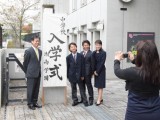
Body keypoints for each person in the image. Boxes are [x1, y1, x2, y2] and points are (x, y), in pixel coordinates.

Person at [114, 40, 160, 120]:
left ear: (140, 55)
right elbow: (146, 68)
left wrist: (117, 60)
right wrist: (133, 60)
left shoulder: (132, 72)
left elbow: (118, 72)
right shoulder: (157, 71)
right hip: (156, 112)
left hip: (135, 113)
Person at [66, 42, 88, 107]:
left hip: (80, 75)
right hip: (71, 75)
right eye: (71, 47)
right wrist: (68, 76)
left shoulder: (81, 56)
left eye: (74, 46)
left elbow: (83, 66)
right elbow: (68, 67)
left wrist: (82, 75)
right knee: (73, 89)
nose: (73, 48)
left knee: (82, 88)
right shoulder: (68, 57)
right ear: (69, 49)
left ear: (76, 47)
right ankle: (75, 100)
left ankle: (85, 100)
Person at [23, 36, 42, 110]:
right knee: (30, 89)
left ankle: (35, 102)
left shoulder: (40, 51)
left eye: (38, 41)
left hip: (38, 73)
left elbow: (38, 62)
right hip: (31, 74)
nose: (37, 42)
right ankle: (30, 103)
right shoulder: (28, 51)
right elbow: (25, 64)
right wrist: (27, 72)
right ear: (32, 42)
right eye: (36, 41)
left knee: (36, 89)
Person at [92, 40, 106, 106]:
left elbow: (102, 63)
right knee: (98, 85)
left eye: (99, 45)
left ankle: (98, 100)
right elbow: (93, 62)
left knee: (100, 86)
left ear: (101, 45)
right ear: (95, 45)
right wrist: (94, 71)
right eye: (96, 45)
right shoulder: (94, 53)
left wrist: (97, 71)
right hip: (95, 71)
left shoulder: (103, 53)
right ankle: (101, 98)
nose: (98, 46)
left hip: (101, 71)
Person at [80, 40, 94, 105]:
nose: (86, 46)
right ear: (83, 46)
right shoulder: (80, 53)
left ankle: (91, 99)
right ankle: (84, 99)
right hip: (81, 73)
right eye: (84, 45)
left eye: (87, 45)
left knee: (89, 86)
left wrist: (92, 73)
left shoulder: (91, 53)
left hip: (88, 73)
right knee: (82, 86)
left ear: (89, 45)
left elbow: (93, 64)